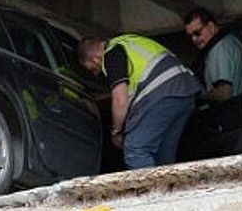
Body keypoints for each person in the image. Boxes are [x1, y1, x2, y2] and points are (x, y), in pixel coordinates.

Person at [78, 34, 201, 169]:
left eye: (92, 69)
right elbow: (139, 80)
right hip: (185, 92)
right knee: (163, 154)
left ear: (95, 59)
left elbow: (120, 100)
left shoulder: (111, 54)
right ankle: (169, 188)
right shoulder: (129, 41)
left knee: (135, 149)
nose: (96, 73)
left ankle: (154, 190)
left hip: (163, 94)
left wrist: (116, 132)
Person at [183, 7, 242, 102]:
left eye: (197, 33)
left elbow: (224, 93)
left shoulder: (218, 48)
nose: (194, 39)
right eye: (190, 36)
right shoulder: (231, 40)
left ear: (211, 27)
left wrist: (198, 96)